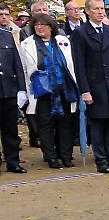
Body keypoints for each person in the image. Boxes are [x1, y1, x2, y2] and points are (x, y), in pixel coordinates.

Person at [70, 0, 109, 173]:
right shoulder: (81, 33)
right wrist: (85, 90)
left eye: (102, 9)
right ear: (87, 11)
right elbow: (79, 65)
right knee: (98, 123)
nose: (100, 12)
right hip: (95, 85)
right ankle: (101, 159)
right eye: (96, 9)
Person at [20, 13, 79, 169]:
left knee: (65, 124)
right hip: (42, 92)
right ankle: (51, 157)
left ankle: (66, 156)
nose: (39, 28)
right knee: (45, 125)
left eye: (43, 25)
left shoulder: (62, 41)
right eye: (36, 25)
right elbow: (24, 69)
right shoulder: (27, 44)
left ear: (51, 27)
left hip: (64, 89)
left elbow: (71, 65)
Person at [0, 3, 28, 173]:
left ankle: (13, 161)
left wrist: (21, 89)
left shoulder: (8, 36)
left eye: (6, 14)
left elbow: (17, 63)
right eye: (0, 14)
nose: (3, 17)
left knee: (10, 129)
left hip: (8, 90)